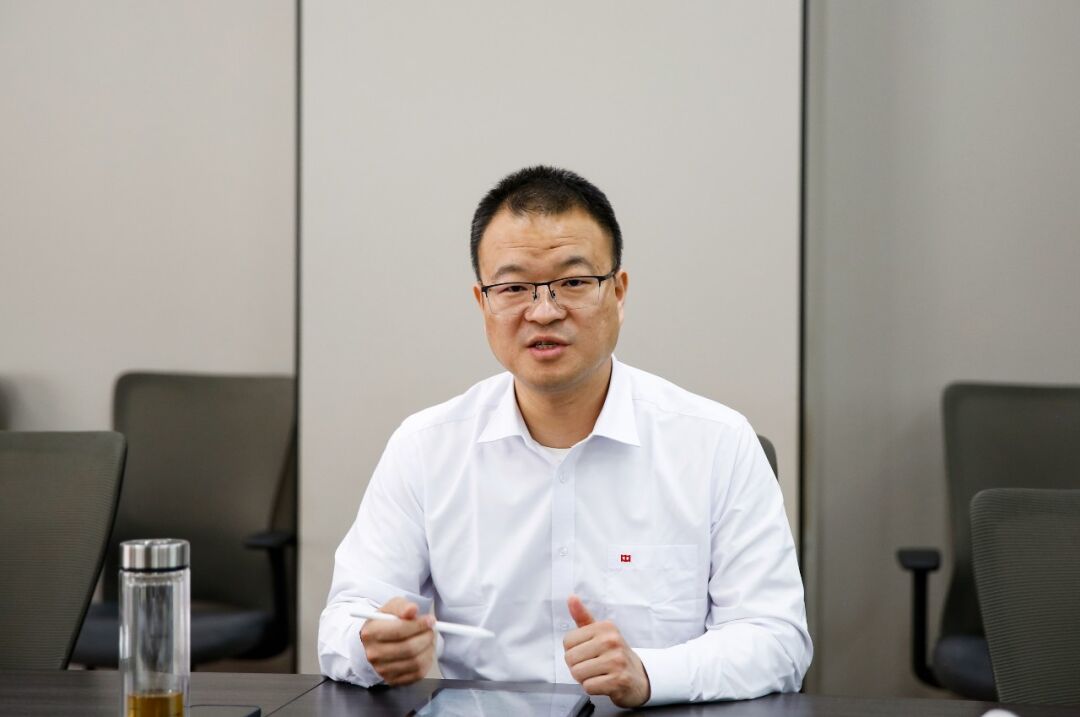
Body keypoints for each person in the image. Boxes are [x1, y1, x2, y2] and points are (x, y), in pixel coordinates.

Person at [318, 166, 812, 707]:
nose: (544, 311)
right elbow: (345, 621)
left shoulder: (717, 443)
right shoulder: (425, 448)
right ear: (483, 303)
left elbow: (777, 640)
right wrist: (373, 644)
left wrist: (649, 673)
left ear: (618, 292)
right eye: (513, 288)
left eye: (573, 283)